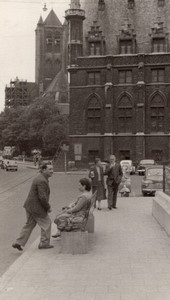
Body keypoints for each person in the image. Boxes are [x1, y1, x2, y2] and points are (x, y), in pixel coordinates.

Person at [12, 163, 54, 251]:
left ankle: (18, 242)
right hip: (36, 208)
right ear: (43, 170)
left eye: (52, 169)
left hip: (30, 206)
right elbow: (42, 197)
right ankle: (44, 243)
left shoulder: (40, 178)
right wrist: (48, 207)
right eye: (49, 169)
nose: (52, 171)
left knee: (29, 224)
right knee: (47, 223)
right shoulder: (41, 180)